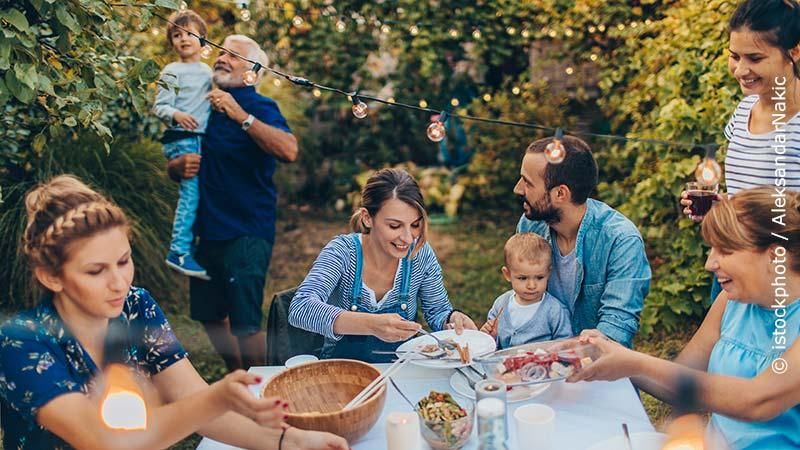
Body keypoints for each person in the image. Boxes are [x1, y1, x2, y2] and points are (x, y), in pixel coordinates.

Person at [0, 175, 348, 450]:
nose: (119, 282)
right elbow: (104, 440)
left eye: (124, 261)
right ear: (50, 276)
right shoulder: (22, 342)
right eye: (96, 271)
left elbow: (188, 398)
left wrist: (292, 441)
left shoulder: (136, 306)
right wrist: (217, 397)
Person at [571, 187, 800, 450]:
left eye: (724, 250)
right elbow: (681, 381)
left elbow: (757, 401)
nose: (709, 264)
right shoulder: (731, 303)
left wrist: (635, 363)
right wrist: (614, 356)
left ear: (775, 255)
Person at [168, 35, 298, 371]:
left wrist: (240, 114)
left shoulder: (260, 107)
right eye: (221, 52)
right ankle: (238, 376)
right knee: (210, 315)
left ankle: (262, 387)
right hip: (206, 228)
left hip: (247, 228)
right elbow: (175, 159)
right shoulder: (198, 105)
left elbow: (289, 150)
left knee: (245, 322)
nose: (222, 58)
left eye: (234, 55)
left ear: (253, 71)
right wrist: (176, 167)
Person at [288, 168, 478, 363]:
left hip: (401, 368)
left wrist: (451, 319)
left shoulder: (420, 255)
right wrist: (371, 325)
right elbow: (301, 308)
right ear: (367, 218)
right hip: (342, 370)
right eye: (394, 226)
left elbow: (438, 311)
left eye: (414, 225)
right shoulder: (343, 252)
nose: (407, 238)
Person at [680, 0, 800, 301]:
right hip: (733, 261)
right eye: (734, 56)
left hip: (783, 273)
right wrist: (722, 209)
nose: (741, 69)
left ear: (794, 52)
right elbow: (748, 193)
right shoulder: (744, 108)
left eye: (755, 58)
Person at [514, 135, 651, 348]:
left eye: (528, 183)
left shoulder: (621, 240)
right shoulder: (530, 226)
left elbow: (615, 330)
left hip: (594, 364)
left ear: (560, 193)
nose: (518, 189)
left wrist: (560, 353)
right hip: (535, 357)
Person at [152, 10, 213, 279]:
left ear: (203, 41)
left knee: (199, 195)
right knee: (190, 196)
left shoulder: (208, 72)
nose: (183, 39)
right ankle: (178, 250)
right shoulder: (171, 70)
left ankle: (194, 246)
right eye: (177, 35)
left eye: (189, 33)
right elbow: (160, 106)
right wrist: (176, 114)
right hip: (182, 139)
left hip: (200, 140)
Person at [480, 233, 572, 348]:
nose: (532, 285)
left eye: (539, 277)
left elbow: (565, 345)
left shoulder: (554, 310)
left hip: (542, 364)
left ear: (548, 273)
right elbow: (492, 345)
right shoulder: (501, 304)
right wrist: (490, 336)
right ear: (507, 274)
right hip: (503, 364)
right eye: (523, 278)